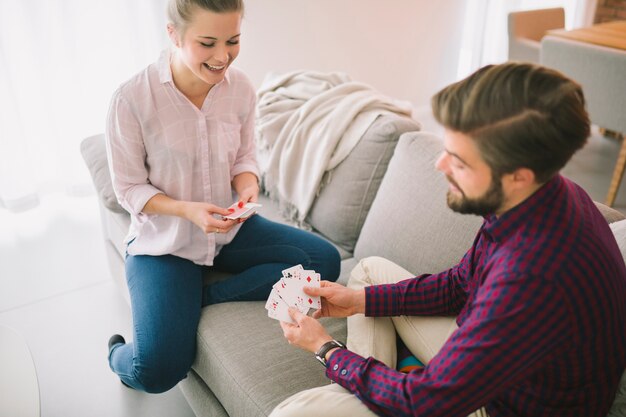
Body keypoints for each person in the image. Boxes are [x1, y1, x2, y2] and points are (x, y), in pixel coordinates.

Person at [271, 62, 626, 417]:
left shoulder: (529, 278)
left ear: (518, 175)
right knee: (368, 273)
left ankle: (376, 390)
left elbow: (425, 403)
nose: (440, 165)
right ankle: (376, 389)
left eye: (459, 161)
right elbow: (460, 284)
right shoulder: (542, 196)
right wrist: (354, 301)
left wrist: (327, 349)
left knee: (294, 412)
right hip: (500, 372)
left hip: (501, 406)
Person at [104, 0, 340, 393]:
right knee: (157, 371)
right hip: (165, 244)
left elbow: (245, 156)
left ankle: (208, 294)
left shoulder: (241, 88)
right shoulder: (131, 100)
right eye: (207, 42)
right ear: (174, 35)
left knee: (324, 262)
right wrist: (186, 210)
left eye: (232, 40)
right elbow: (128, 189)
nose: (222, 56)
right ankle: (115, 355)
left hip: (230, 231)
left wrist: (247, 185)